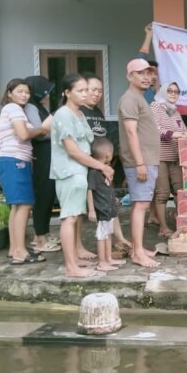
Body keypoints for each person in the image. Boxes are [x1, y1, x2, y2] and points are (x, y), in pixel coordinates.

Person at [51, 73, 114, 278]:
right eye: (81, 90)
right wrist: (102, 167)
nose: (86, 94)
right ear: (67, 93)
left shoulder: (79, 113)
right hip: (69, 172)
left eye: (87, 89)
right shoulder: (63, 114)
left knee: (75, 216)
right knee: (69, 218)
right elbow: (74, 151)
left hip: (81, 172)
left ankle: (75, 260)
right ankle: (71, 267)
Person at [0, 79, 52, 264]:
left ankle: (15, 249)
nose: (24, 95)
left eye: (26, 92)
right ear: (9, 93)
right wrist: (43, 128)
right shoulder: (14, 109)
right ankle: (20, 251)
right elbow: (23, 135)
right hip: (15, 162)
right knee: (25, 205)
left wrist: (25, 152)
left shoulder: (8, 110)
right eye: (19, 91)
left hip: (11, 159)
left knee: (17, 206)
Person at [118, 58, 162, 268]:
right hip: (141, 161)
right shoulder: (130, 99)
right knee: (141, 205)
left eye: (149, 73)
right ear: (129, 76)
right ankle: (137, 254)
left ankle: (138, 247)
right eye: (141, 73)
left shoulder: (140, 97)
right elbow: (130, 132)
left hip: (147, 159)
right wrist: (140, 163)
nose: (146, 77)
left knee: (141, 204)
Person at [82, 75, 131, 254]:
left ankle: (119, 239)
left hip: (103, 164)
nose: (96, 94)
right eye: (92, 90)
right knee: (92, 210)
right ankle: (103, 249)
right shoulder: (79, 111)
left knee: (110, 202)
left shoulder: (97, 112)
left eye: (100, 91)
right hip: (88, 166)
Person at [150, 81, 187, 237]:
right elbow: (155, 129)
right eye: (169, 91)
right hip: (160, 156)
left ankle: (181, 222)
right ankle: (163, 227)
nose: (173, 94)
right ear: (163, 91)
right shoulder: (155, 106)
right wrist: (177, 134)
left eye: (176, 92)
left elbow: (182, 129)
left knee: (180, 190)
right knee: (162, 193)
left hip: (175, 155)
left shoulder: (175, 111)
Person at [23, 75, 61, 253]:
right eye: (45, 92)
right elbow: (39, 133)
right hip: (41, 157)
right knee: (43, 196)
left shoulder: (38, 106)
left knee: (48, 194)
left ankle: (44, 233)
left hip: (48, 156)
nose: (47, 96)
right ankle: (39, 238)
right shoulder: (31, 107)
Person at [87, 137, 126, 272]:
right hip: (101, 210)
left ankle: (108, 258)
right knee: (101, 236)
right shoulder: (93, 172)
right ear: (107, 155)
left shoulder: (105, 171)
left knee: (108, 234)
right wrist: (91, 209)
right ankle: (101, 262)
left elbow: (108, 189)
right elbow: (90, 191)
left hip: (109, 209)